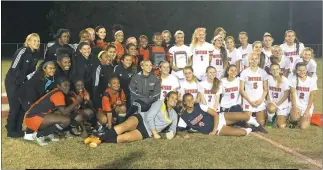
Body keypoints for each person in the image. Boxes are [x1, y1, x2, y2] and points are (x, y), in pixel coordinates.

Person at [84, 91, 179, 146]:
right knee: (125, 126)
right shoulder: (159, 103)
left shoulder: (174, 114)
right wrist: (155, 133)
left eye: (176, 99)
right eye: (172, 97)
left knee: (124, 138)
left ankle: (97, 139)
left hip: (146, 131)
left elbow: (173, 128)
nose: (174, 100)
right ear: (167, 98)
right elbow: (150, 117)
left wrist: (172, 134)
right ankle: (98, 139)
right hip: (141, 119)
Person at [23, 76, 83, 146]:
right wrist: (77, 102)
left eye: (69, 85)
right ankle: (39, 135)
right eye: (65, 85)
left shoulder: (57, 91)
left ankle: (46, 133)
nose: (67, 87)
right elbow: (64, 112)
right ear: (58, 86)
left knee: (66, 115)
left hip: (34, 116)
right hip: (33, 117)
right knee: (66, 120)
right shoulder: (58, 94)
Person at [180, 93, 267, 136]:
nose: (190, 101)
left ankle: (257, 125)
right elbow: (179, 129)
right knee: (243, 133)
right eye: (187, 100)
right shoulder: (184, 117)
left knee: (244, 115)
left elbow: (215, 115)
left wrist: (213, 131)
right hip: (218, 129)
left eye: (191, 99)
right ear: (184, 102)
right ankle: (249, 128)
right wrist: (183, 135)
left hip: (219, 118)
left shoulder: (199, 106)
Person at [5, 33, 40, 138]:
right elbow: (14, 67)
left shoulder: (35, 55)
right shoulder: (22, 51)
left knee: (22, 107)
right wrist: (18, 81)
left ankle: (18, 129)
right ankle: (11, 130)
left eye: (38, 41)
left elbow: (31, 72)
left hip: (23, 84)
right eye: (34, 41)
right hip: (13, 82)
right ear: (28, 42)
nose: (37, 43)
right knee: (15, 107)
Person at [240, 52, 268, 126]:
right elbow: (241, 89)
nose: (254, 61)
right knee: (246, 124)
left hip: (259, 100)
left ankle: (255, 118)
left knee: (261, 124)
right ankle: (251, 117)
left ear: (258, 60)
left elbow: (265, 89)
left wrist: (261, 100)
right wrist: (250, 101)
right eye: (252, 59)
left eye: (256, 59)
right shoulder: (244, 72)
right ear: (249, 60)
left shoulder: (263, 72)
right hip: (248, 100)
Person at [289, 62, 317, 129]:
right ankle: (292, 118)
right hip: (297, 105)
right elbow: (292, 95)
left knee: (303, 127)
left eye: (304, 70)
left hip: (307, 106)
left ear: (306, 70)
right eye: (299, 70)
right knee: (294, 118)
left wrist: (307, 110)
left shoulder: (311, 81)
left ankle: (305, 118)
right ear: (296, 70)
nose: (302, 72)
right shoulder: (293, 80)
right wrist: (294, 107)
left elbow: (312, 97)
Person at [266, 63, 290, 128]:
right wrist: (269, 101)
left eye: (277, 69)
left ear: (280, 70)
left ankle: (282, 116)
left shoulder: (284, 80)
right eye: (273, 69)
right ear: (270, 71)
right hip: (272, 102)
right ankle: (270, 119)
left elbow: (286, 94)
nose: (275, 71)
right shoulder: (268, 78)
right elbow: (266, 91)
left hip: (282, 103)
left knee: (281, 126)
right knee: (271, 108)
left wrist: (279, 103)